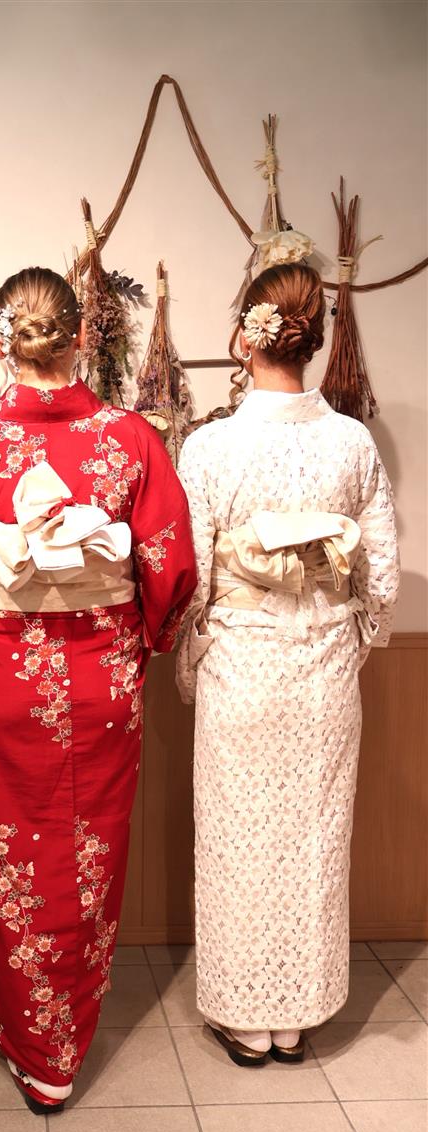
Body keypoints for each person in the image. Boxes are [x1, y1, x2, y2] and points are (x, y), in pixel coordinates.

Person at [0, 266, 197, 1111]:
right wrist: (145, 641)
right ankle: (63, 1045)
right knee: (89, 856)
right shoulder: (131, 440)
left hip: (6, 681)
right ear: (81, 336)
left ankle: (29, 1041)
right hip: (103, 681)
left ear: (2, 342)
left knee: (15, 862)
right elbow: (171, 564)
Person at [176, 262, 400, 1066]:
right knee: (313, 836)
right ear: (315, 343)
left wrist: (196, 652)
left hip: (244, 660)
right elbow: (381, 573)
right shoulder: (352, 442)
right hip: (325, 666)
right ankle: (298, 1014)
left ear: (247, 337)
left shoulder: (210, 447)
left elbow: (189, 577)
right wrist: (351, 634)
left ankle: (246, 1014)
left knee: (239, 837)